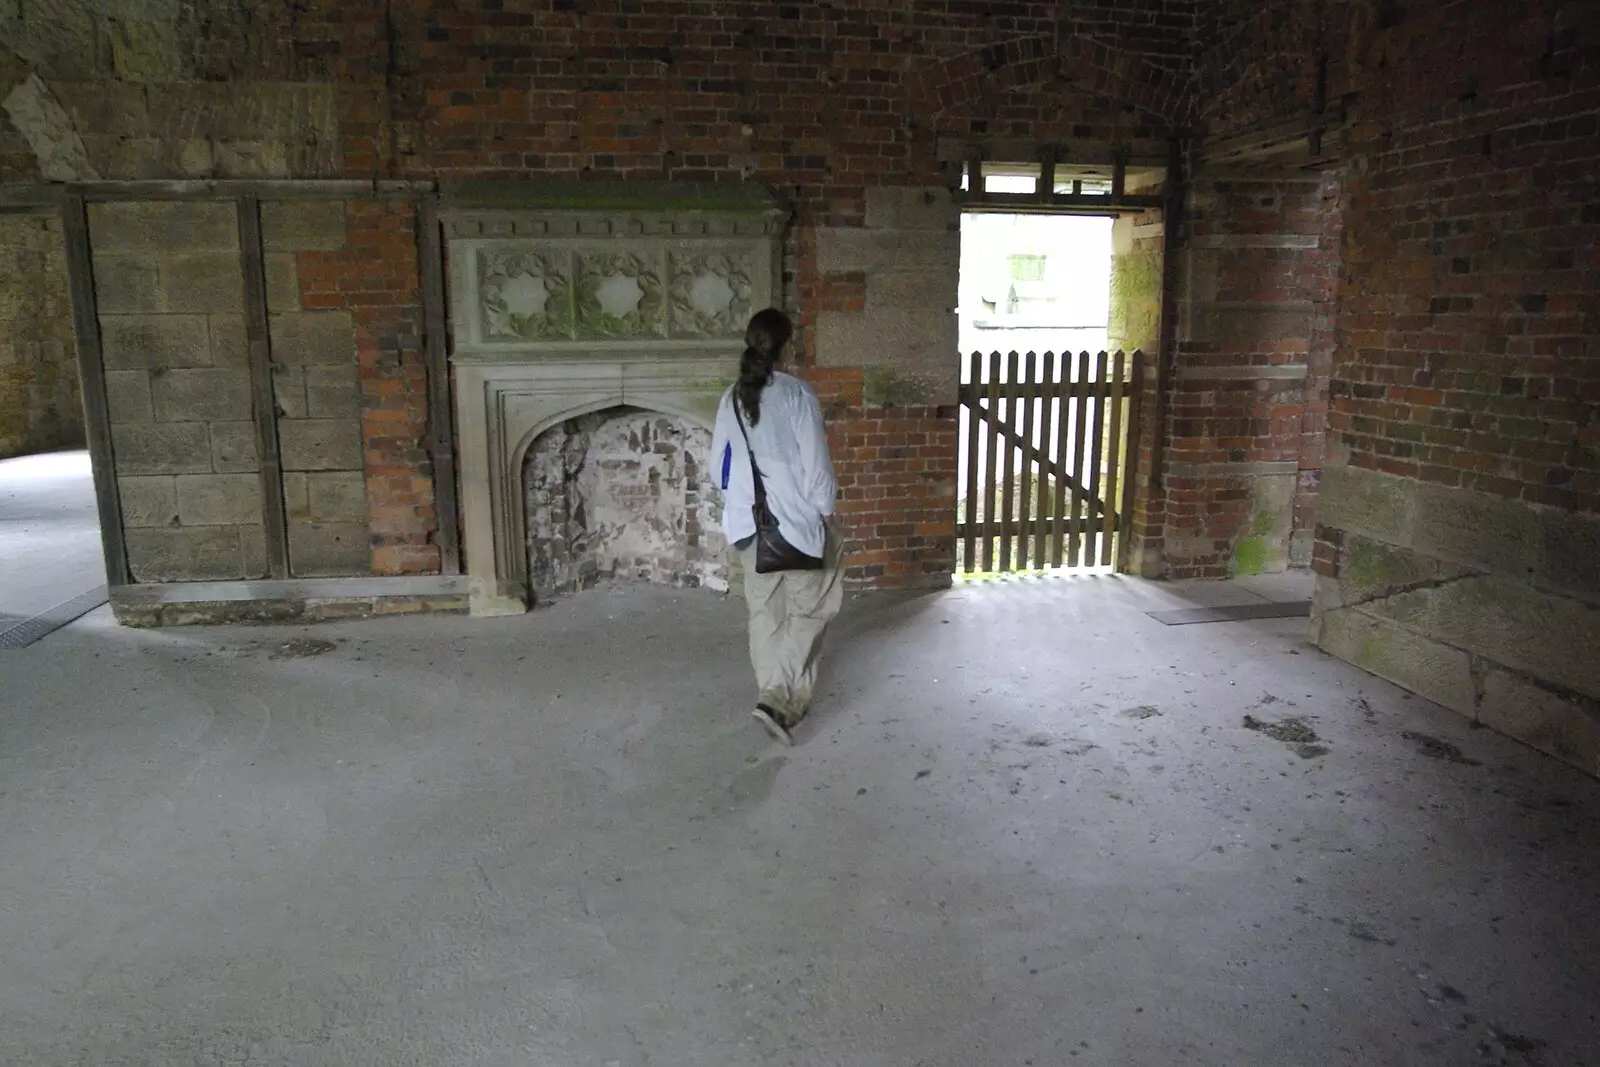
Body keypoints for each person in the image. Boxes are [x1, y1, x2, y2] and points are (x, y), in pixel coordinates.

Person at [710, 308, 844, 745]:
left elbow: (718, 469)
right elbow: (817, 469)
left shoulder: (730, 397)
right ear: (788, 346)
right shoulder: (797, 396)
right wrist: (826, 511)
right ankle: (777, 699)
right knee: (814, 607)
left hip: (748, 528)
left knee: (765, 614)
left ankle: (774, 701)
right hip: (796, 525)